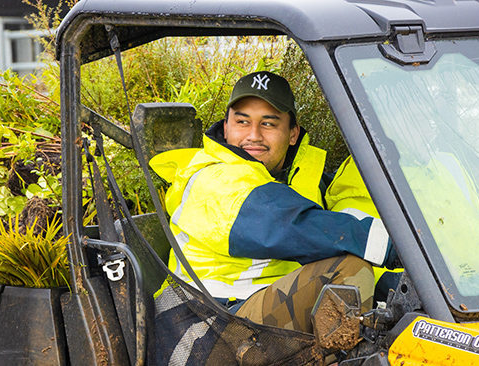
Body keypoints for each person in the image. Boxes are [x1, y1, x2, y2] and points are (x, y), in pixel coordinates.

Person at [150, 71, 397, 334]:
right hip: (202, 325)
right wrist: (395, 247)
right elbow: (284, 224)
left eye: (268, 123)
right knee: (348, 271)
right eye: (242, 122)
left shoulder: (301, 181)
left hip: (248, 315)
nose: (253, 135)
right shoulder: (211, 175)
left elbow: (333, 244)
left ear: (292, 134)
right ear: (226, 127)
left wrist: (405, 284)